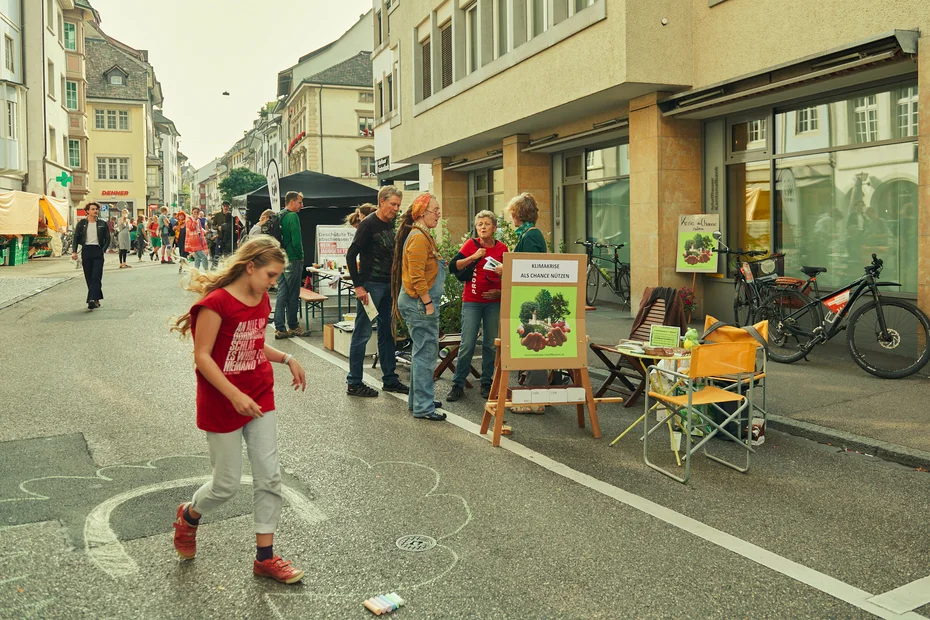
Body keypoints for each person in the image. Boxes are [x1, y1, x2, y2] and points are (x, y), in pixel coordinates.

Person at [169, 236, 307, 584]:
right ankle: (189, 515)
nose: (274, 283)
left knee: (269, 475)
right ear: (250, 267)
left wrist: (287, 358)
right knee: (226, 485)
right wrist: (232, 395)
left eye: (277, 277)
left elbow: (254, 344)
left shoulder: (260, 299)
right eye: (271, 275)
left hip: (259, 394)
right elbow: (202, 357)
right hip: (222, 402)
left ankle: (265, 557)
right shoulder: (216, 304)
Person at [345, 186, 408, 398]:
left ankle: (390, 379)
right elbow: (350, 255)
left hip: (389, 286)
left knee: (388, 332)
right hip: (370, 286)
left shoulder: (392, 223)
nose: (396, 209)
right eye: (393, 204)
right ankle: (354, 382)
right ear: (381, 201)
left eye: (398, 205)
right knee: (362, 333)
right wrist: (358, 286)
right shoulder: (368, 224)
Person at [391, 194, 446, 421]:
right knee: (426, 355)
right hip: (419, 303)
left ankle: (419, 401)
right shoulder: (419, 238)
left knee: (421, 352)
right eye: (435, 210)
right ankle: (423, 406)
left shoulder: (421, 235)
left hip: (417, 303)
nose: (438, 213)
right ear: (422, 213)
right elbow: (416, 275)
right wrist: (427, 303)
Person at [446, 210, 508, 402]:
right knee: (468, 343)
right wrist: (473, 257)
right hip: (472, 301)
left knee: (490, 344)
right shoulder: (471, 244)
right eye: (479, 224)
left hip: (493, 302)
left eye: (486, 224)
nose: (482, 227)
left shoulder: (502, 248)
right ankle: (458, 384)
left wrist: (501, 291)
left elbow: (513, 275)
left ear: (495, 228)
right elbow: (453, 266)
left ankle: (486, 382)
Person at [506, 193, 548, 413]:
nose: (511, 217)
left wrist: (507, 269)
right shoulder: (530, 234)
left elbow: (531, 269)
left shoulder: (530, 236)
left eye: (512, 213)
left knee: (534, 347)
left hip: (531, 301)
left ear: (518, 214)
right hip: (531, 299)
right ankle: (538, 397)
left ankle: (535, 401)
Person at [273, 192, 306, 340]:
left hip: (280, 258)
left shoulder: (280, 214)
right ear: (292, 202)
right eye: (300, 202)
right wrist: (300, 256)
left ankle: (280, 328)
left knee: (282, 293)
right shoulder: (293, 216)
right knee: (293, 295)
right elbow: (296, 240)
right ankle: (293, 325)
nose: (301, 205)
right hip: (292, 258)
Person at [71, 202, 110, 310]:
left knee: (96, 276)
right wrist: (74, 251)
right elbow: (76, 237)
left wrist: (103, 250)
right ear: (87, 211)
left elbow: (108, 238)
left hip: (98, 250)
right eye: (93, 209)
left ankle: (91, 299)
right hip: (86, 250)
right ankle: (96, 298)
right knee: (89, 276)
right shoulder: (82, 223)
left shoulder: (102, 223)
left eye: (96, 209)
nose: (95, 211)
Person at [186, 207, 210, 271]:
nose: (196, 214)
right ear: (192, 212)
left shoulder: (198, 220)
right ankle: (207, 270)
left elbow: (200, 228)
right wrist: (195, 220)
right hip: (193, 240)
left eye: (197, 212)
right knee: (204, 256)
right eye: (194, 212)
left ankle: (196, 271)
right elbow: (191, 228)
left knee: (197, 258)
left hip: (199, 239)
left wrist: (205, 231)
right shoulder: (189, 219)